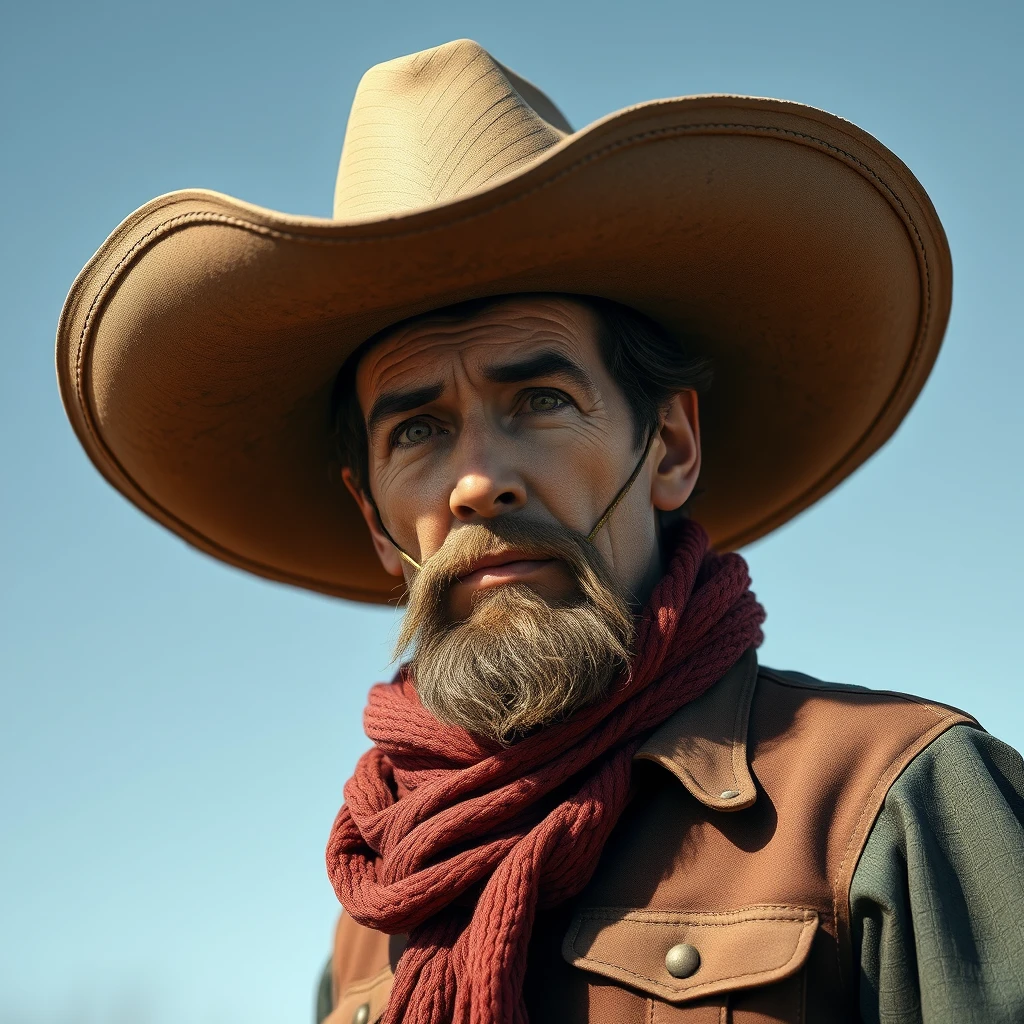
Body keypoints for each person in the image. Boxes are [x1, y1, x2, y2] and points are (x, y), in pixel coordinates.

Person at [56, 37, 1024, 1024]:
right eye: (419, 428)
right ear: (378, 524)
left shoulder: (889, 804)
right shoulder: (378, 906)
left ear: (671, 447)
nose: (478, 481)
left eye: (541, 399)